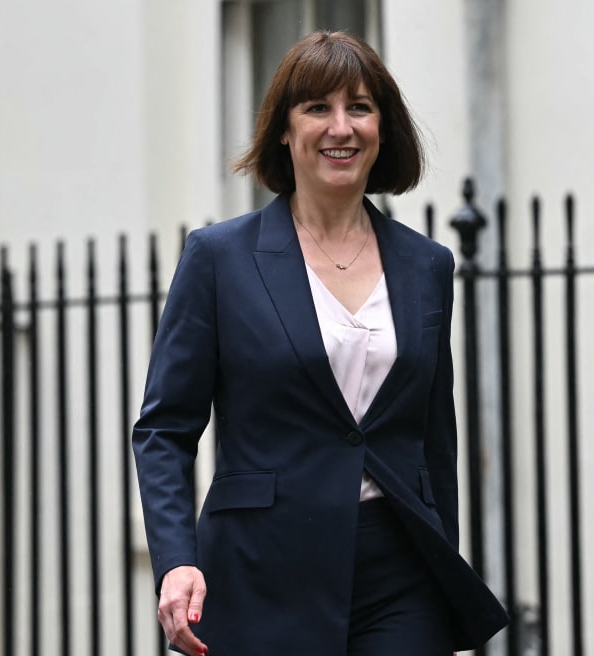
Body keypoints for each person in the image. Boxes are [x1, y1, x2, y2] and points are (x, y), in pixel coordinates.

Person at [132, 30, 508, 656]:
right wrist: (175, 561)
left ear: (382, 127)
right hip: (261, 566)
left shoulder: (427, 265)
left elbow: (433, 437)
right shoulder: (220, 258)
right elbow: (164, 429)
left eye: (360, 107)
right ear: (283, 129)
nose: (342, 127)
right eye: (317, 108)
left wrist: (446, 562)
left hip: (400, 574)